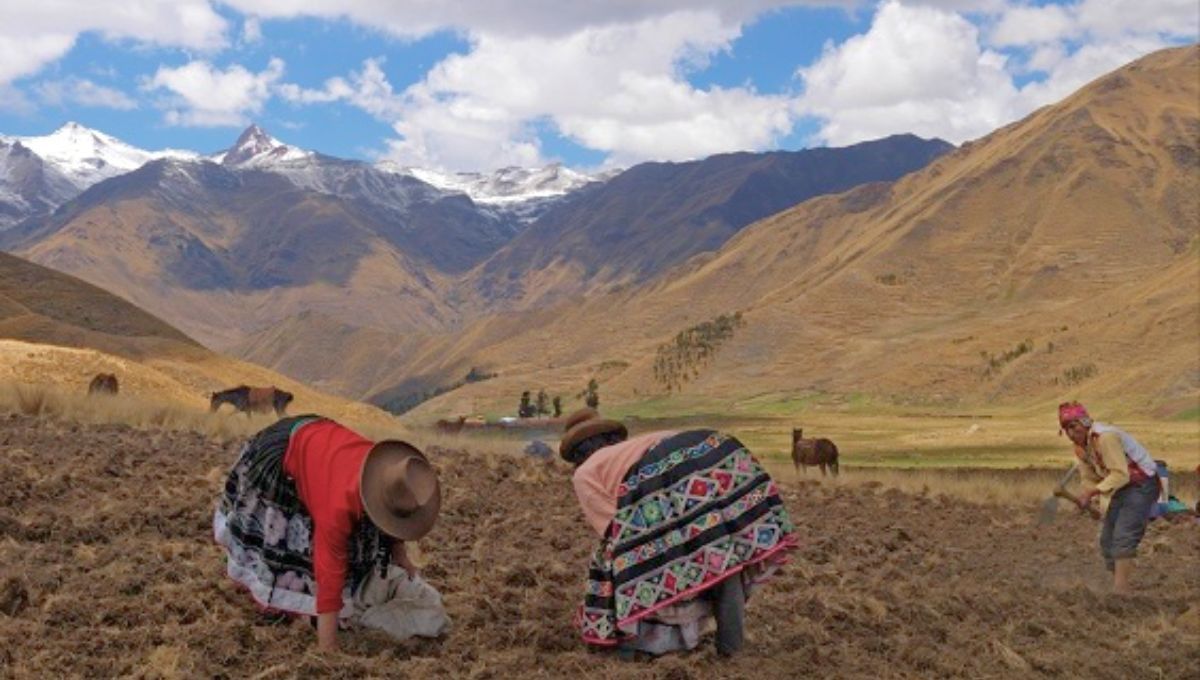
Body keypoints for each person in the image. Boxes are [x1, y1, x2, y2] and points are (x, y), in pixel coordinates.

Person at [560, 409, 799, 657]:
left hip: (660, 474)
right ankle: (731, 647)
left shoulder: (585, 472)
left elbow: (611, 528)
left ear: (576, 453)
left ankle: (637, 644)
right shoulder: (632, 447)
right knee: (721, 553)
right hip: (710, 447)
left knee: (625, 565)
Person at [214, 414, 442, 651]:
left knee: (354, 545)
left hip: (323, 448)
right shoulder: (338, 508)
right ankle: (280, 600)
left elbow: (393, 516)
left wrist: (400, 554)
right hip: (286, 451)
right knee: (291, 541)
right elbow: (329, 573)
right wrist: (328, 648)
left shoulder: (385, 476)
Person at [1058, 401, 1158, 594]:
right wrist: (1087, 498)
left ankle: (1121, 591)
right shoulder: (1080, 448)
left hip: (1141, 483)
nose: (1071, 433)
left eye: (1073, 426)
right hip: (1122, 487)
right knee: (1107, 540)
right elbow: (1089, 478)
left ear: (1085, 422)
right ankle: (1120, 585)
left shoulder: (1106, 438)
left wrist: (1092, 492)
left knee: (1123, 535)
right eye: (1066, 429)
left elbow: (1121, 474)